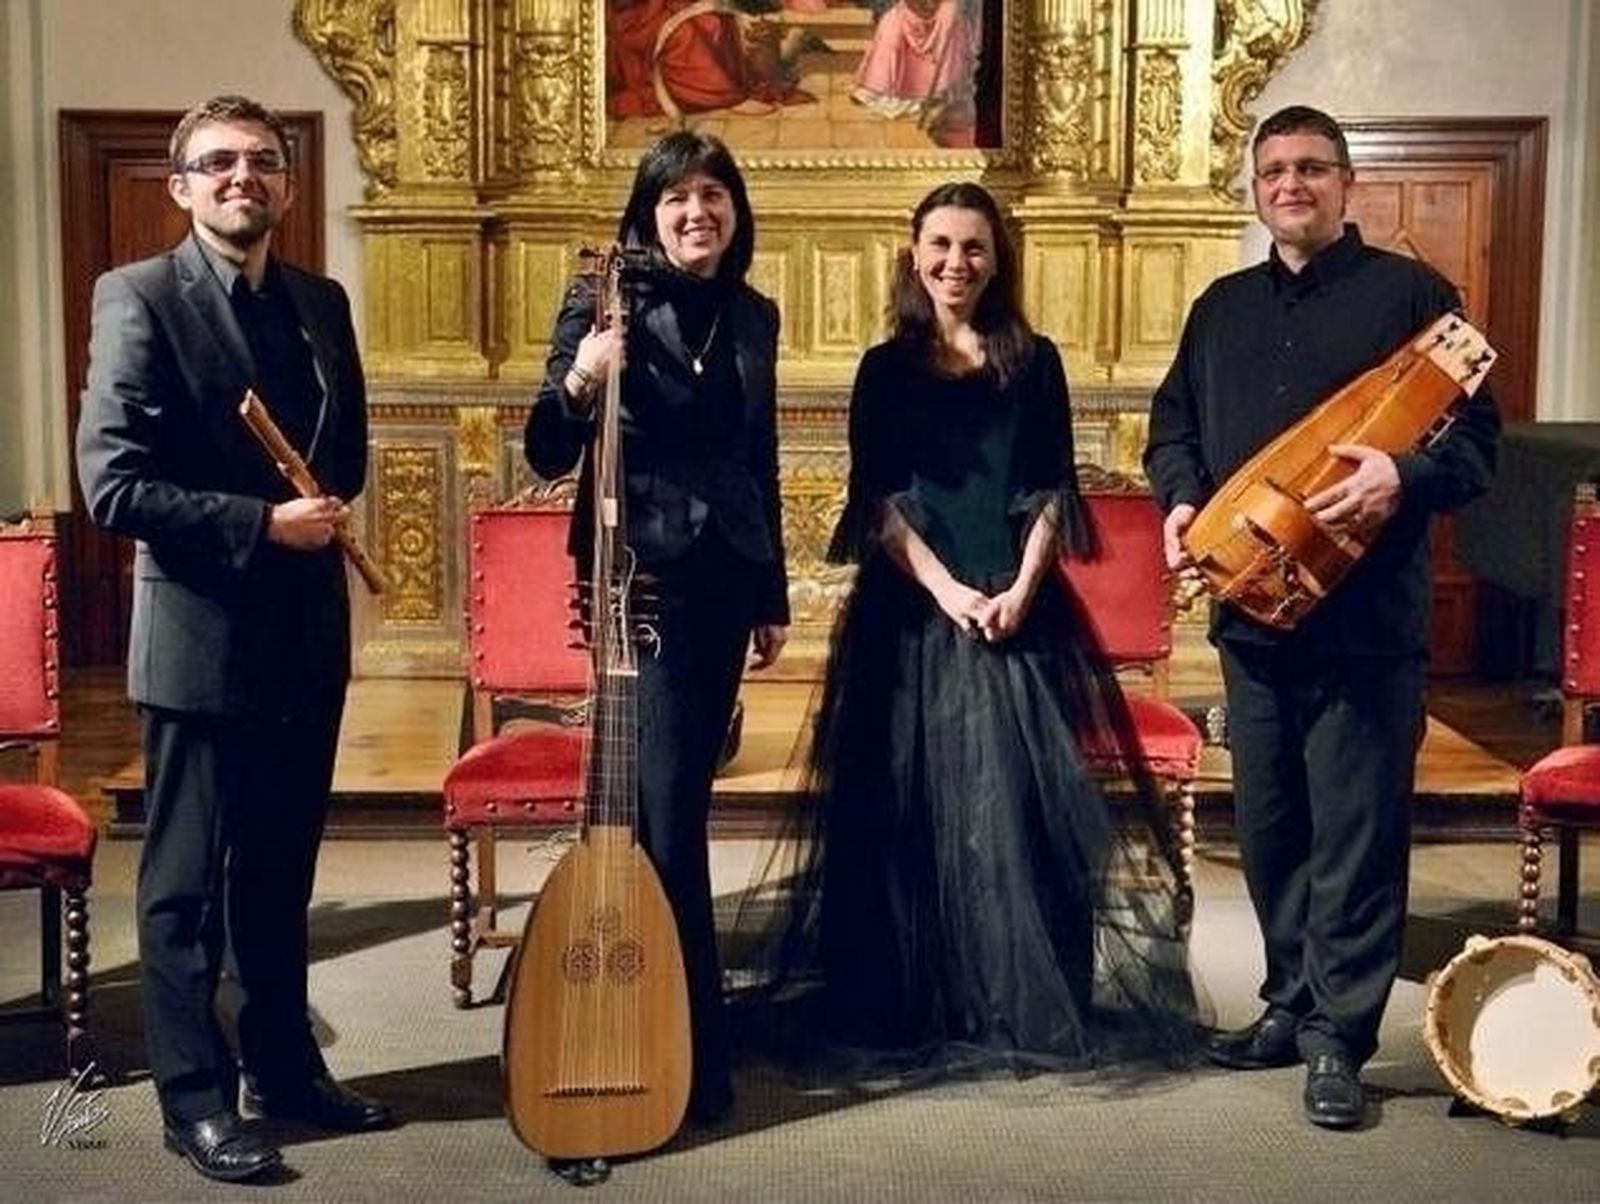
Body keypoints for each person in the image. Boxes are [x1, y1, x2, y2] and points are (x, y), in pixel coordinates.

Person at [763, 181, 1200, 1079]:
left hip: (1018, 613)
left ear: (997, 260)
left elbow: (1051, 489)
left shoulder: (1032, 361)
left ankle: (1011, 1001)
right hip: (913, 615)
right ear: (912, 253)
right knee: (905, 810)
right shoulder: (884, 369)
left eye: (973, 247)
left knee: (1014, 816)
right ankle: (913, 999)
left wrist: (1019, 590)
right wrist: (949, 591)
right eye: (940, 245)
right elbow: (876, 501)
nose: (955, 262)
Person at [1143, 105, 1499, 1129]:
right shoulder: (1219, 309)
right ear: (1254, 191)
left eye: (1310, 168)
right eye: (1272, 172)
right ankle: (1286, 1003)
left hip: (1367, 624)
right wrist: (1181, 501)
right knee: (1269, 827)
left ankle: (1339, 1037)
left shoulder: (1413, 299)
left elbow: (1478, 448)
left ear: (1346, 184)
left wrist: (1401, 472)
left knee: (1355, 828)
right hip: (1253, 620)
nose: (1289, 185)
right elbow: (1175, 431)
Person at [76, 95, 391, 1184]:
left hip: (302, 637)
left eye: (262, 161)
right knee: (182, 887)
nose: (240, 178)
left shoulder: (317, 300)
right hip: (202, 639)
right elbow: (110, 483)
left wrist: (317, 504)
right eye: (217, 163)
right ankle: (195, 1102)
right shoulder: (139, 297)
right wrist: (263, 522)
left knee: (277, 872)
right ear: (181, 185)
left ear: (288, 186)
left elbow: (339, 447)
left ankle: (286, 1073)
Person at [526, 130, 790, 1142]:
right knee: (663, 813)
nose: (697, 213)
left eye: (714, 196)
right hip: (637, 578)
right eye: (677, 198)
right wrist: (585, 376)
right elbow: (549, 447)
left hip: (722, 579)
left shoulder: (754, 315)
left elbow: (755, 455)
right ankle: (685, 1046)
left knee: (665, 806)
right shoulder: (600, 305)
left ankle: (652, 1017)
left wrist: (769, 593)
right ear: (647, 213)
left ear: (735, 212)